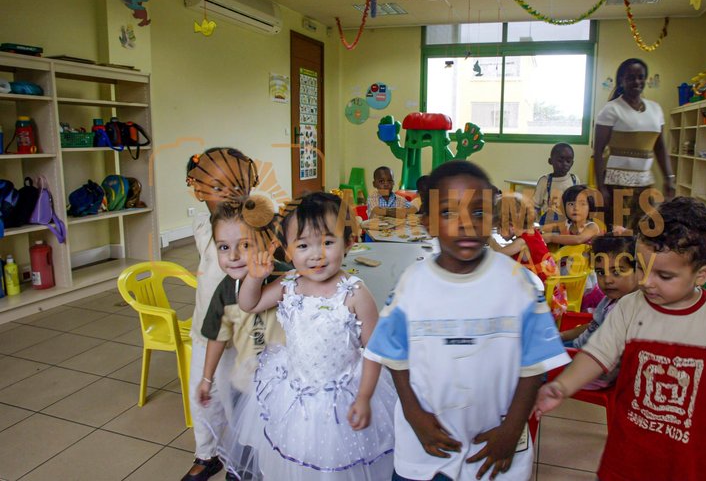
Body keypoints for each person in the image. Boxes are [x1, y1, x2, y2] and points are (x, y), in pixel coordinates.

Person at [535, 197, 706, 481]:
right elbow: (596, 355)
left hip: (693, 456)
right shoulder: (629, 306)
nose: (647, 282)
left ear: (701, 275)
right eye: (641, 267)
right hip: (631, 448)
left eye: (664, 275)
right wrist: (562, 385)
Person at [365, 160, 569, 481]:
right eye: (448, 213)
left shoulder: (520, 285)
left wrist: (512, 429)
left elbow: (534, 368)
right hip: (428, 440)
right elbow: (393, 352)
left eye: (478, 212)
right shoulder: (412, 284)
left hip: (493, 443)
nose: (466, 224)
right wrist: (413, 413)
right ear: (428, 222)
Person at [223, 192, 396, 480]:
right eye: (303, 245)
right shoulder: (288, 284)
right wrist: (254, 276)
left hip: (343, 399)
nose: (316, 255)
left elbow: (374, 349)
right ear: (288, 251)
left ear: (350, 243)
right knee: (296, 460)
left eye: (328, 242)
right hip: (294, 395)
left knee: (338, 465)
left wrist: (364, 397)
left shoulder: (354, 293)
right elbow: (249, 304)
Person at [182, 147, 259, 481]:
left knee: (243, 399)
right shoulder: (203, 225)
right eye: (217, 186)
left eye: (236, 185)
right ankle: (207, 453)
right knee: (204, 395)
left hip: (245, 333)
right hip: (208, 330)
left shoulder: (258, 223)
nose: (229, 193)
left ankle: (243, 459)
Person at [593, 58, 674, 231]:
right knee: (617, 232)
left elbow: (660, 147)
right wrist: (601, 187)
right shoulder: (611, 109)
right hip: (616, 184)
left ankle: (638, 260)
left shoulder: (655, 109)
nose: (636, 81)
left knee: (643, 231)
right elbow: (598, 150)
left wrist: (669, 178)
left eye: (640, 77)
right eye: (631, 77)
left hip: (644, 184)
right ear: (622, 80)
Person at [560, 235, 637, 388]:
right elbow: (593, 325)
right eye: (601, 272)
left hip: (588, 370)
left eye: (617, 272)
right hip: (578, 349)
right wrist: (561, 336)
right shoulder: (611, 300)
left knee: (531, 365)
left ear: (639, 271)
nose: (607, 280)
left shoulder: (627, 310)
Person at [489, 192, 554, 282]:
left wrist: (490, 240)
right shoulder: (532, 232)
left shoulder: (522, 242)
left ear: (511, 224)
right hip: (550, 286)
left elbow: (500, 254)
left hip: (542, 292)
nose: (498, 232)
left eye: (499, 227)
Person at [532, 143, 579, 221]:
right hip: (548, 224)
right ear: (550, 161)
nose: (564, 164)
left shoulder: (574, 180)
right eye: (560, 161)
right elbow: (535, 206)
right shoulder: (545, 181)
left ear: (572, 163)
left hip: (568, 225)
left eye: (568, 161)